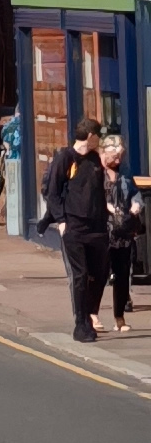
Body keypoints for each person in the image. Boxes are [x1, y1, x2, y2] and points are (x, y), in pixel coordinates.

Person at [55, 121, 112, 342]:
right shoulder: (66, 158)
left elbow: (99, 193)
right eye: (98, 135)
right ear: (90, 135)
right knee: (80, 276)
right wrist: (61, 220)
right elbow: (52, 190)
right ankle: (81, 324)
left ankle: (90, 314)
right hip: (74, 226)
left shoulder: (96, 160)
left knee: (99, 275)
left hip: (97, 227)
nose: (100, 139)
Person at [104, 131, 142, 333]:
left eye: (121, 156)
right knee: (98, 275)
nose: (118, 160)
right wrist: (107, 207)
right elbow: (89, 199)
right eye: (115, 156)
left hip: (123, 231)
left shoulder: (125, 174)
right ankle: (90, 315)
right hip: (102, 230)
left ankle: (119, 316)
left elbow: (135, 195)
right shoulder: (95, 173)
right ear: (105, 152)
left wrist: (136, 205)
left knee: (122, 274)